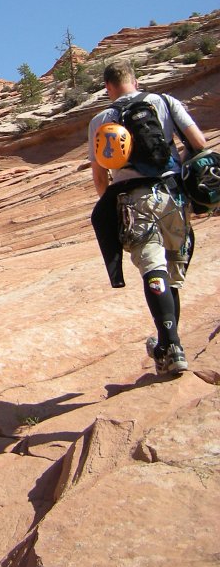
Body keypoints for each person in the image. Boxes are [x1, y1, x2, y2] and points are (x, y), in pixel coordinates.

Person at [88, 60, 207, 376]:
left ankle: (171, 344)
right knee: (172, 273)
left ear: (108, 87)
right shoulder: (165, 102)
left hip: (133, 199)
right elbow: (199, 144)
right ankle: (171, 344)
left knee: (153, 269)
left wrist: (111, 204)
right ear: (135, 80)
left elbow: (100, 177)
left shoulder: (101, 119)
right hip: (173, 195)